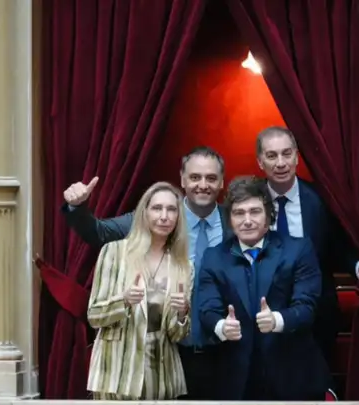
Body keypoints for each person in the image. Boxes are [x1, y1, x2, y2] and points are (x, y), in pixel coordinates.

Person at [63, 146, 231, 399]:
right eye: (195, 177)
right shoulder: (152, 216)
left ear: (221, 182)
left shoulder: (237, 221)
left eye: (211, 178)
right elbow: (98, 232)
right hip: (162, 355)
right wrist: (77, 207)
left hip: (221, 351)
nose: (203, 185)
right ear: (183, 179)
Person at [255, 126, 359, 378]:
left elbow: (338, 246)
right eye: (271, 155)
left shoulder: (322, 198)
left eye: (286, 153)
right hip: (263, 316)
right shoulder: (249, 202)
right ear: (260, 162)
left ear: (297, 156)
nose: (281, 163)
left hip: (316, 316)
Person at [195, 176, 331, 401]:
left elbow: (307, 306)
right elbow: (208, 307)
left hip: (292, 376)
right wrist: (221, 326)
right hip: (235, 379)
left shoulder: (298, 249)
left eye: (255, 212)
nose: (247, 220)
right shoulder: (214, 257)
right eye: (239, 213)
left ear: (269, 215)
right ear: (230, 219)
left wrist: (277, 320)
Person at [86, 182, 192, 400]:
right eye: (157, 208)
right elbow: (94, 316)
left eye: (171, 210)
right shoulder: (114, 252)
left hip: (161, 376)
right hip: (116, 373)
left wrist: (182, 314)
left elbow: (177, 335)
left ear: (178, 217)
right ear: (144, 212)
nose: (164, 216)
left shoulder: (183, 266)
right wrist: (123, 300)